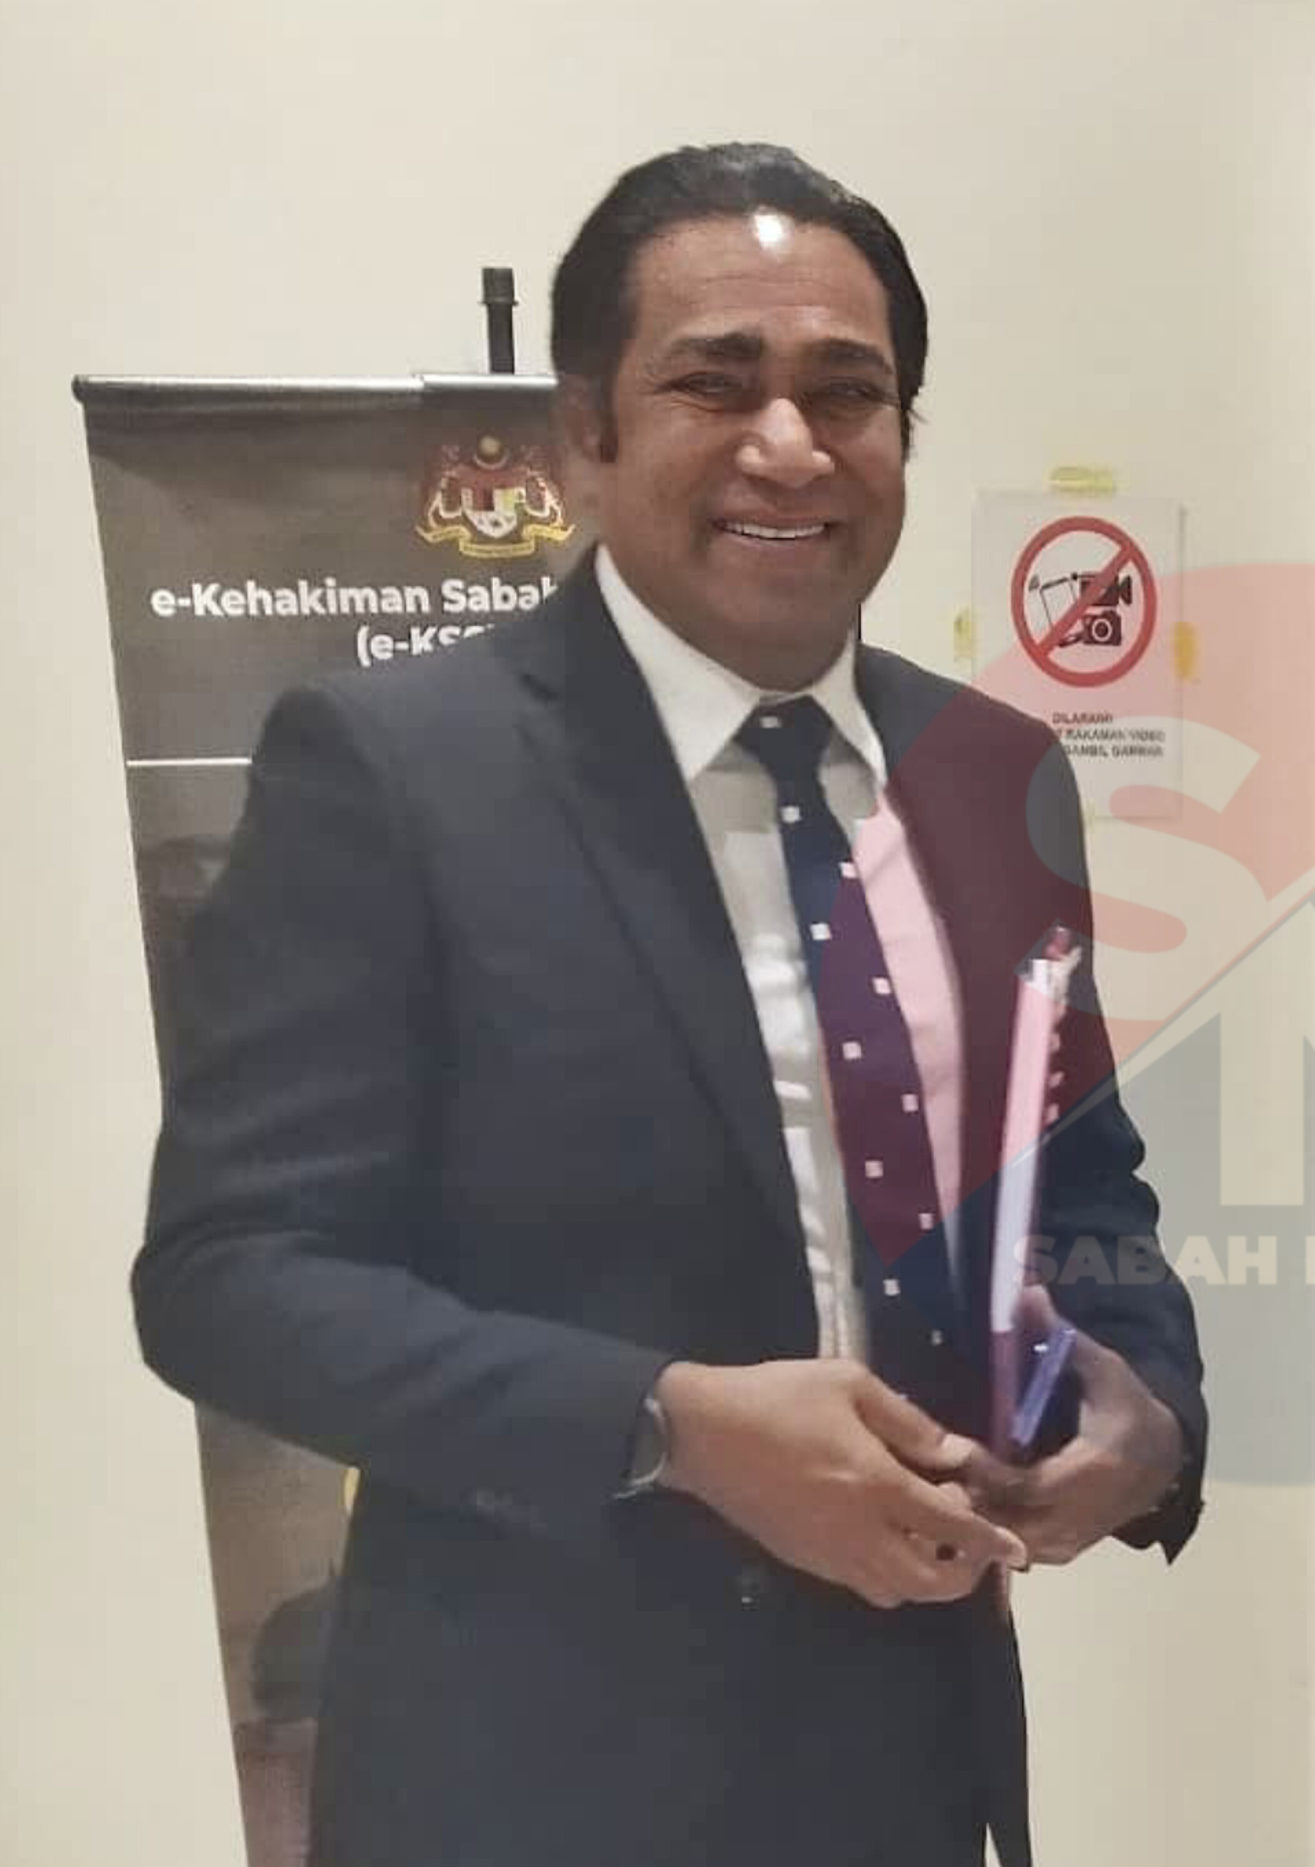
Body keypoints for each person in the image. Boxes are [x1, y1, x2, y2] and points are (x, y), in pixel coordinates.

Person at [132, 143, 1206, 1867]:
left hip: (914, 1747)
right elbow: (228, 1280)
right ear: (587, 431)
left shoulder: (993, 770)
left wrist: (1150, 1404)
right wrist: (669, 1425)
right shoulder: (397, 773)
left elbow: (1078, 1179)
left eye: (847, 392)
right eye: (717, 382)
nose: (790, 444)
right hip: (536, 1771)